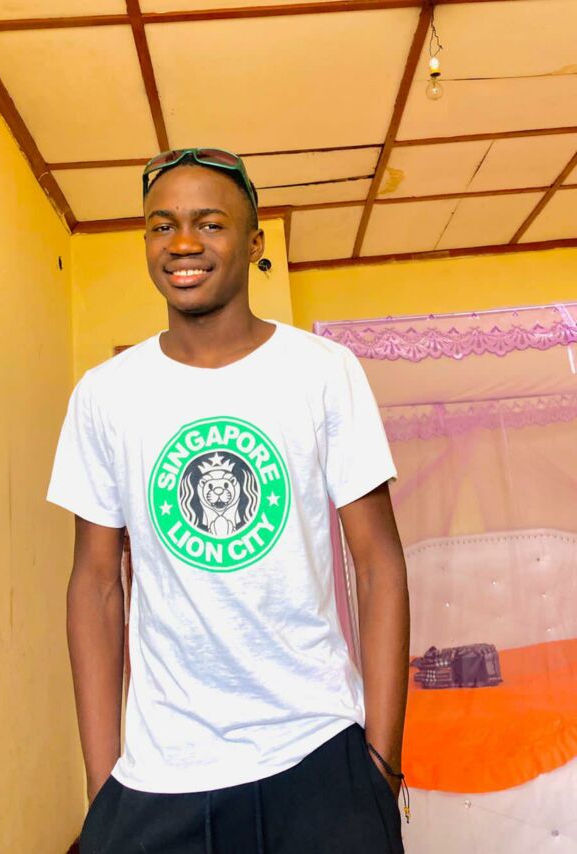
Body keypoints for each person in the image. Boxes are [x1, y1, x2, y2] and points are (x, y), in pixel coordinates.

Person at [47, 148, 410, 854]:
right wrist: (102, 786)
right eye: (162, 226)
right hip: (161, 771)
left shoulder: (322, 372)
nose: (182, 243)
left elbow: (378, 563)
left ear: (253, 242)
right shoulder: (106, 394)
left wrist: (381, 765)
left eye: (209, 223)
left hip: (317, 753)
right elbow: (95, 584)